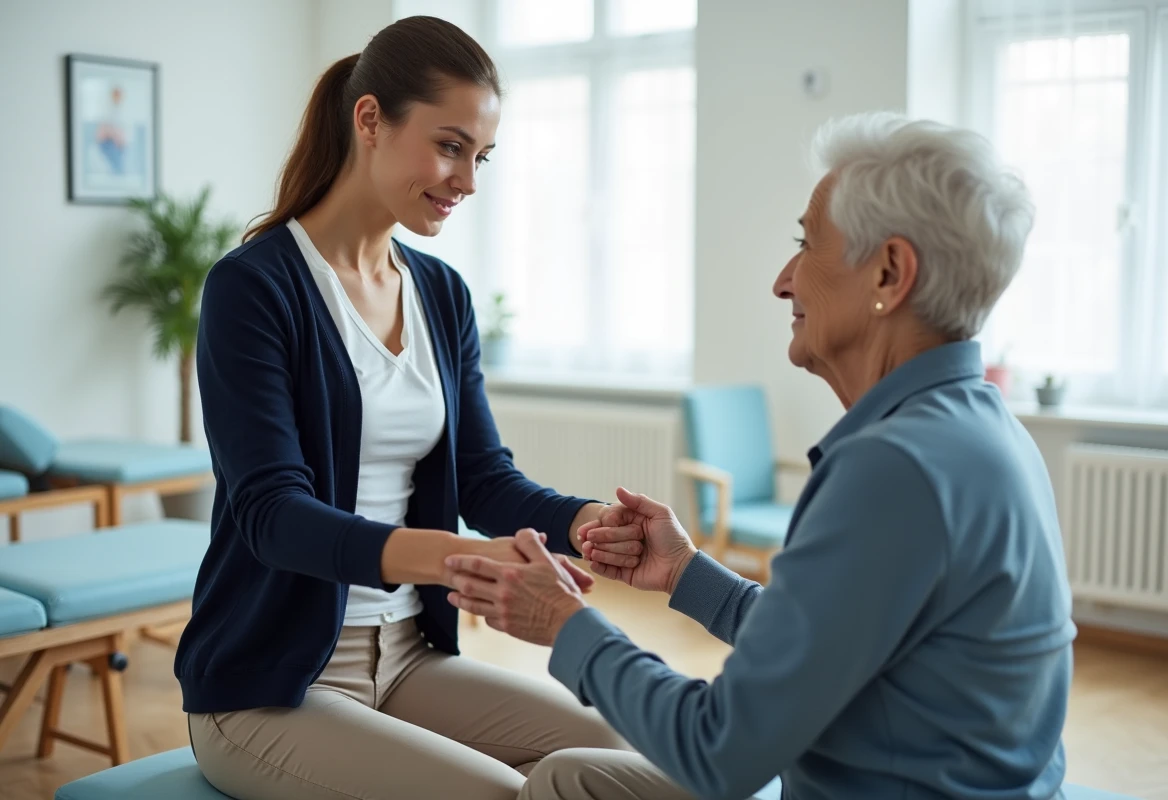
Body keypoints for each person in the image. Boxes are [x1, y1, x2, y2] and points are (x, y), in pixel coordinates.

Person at [446, 113, 1077, 800]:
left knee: (563, 785)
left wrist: (565, 626)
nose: (783, 281)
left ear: (890, 273)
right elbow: (821, 645)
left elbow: (719, 752)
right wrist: (686, 572)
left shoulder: (893, 468)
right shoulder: (984, 430)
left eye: (807, 244)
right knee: (573, 775)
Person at [175, 16, 649, 800]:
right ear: (370, 120)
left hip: (408, 657)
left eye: (480, 156)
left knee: (616, 749)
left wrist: (591, 523)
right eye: (451, 146)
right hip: (268, 684)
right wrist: (464, 560)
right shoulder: (254, 288)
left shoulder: (439, 292)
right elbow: (271, 514)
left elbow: (483, 478)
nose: (466, 180)